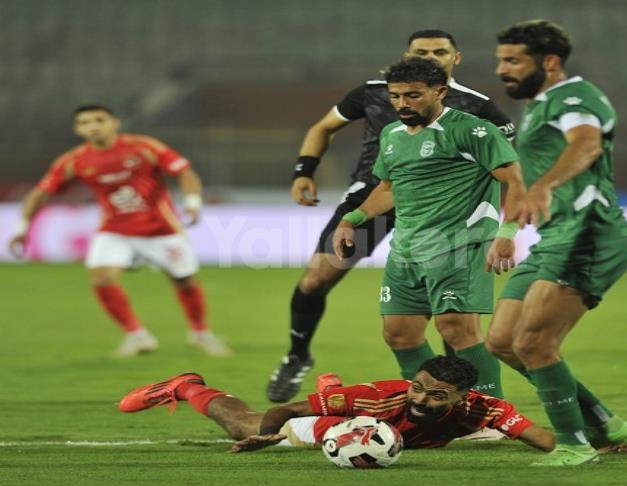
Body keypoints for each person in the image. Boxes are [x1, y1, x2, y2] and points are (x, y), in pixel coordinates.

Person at [268, 29, 516, 403]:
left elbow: (508, 166)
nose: (431, 57)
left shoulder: (476, 109)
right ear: (405, 55)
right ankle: (297, 354)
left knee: (456, 325)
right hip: (376, 196)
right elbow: (324, 129)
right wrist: (305, 171)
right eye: (422, 51)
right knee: (320, 278)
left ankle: (471, 402)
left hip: (448, 210)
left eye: (439, 51)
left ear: (455, 59)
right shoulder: (375, 96)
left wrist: (504, 225)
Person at [485, 20, 627, 466]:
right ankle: (605, 423)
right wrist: (508, 232)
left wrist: (545, 186)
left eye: (513, 60)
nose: (501, 69)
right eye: (500, 60)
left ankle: (573, 444)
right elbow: (522, 178)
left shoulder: (575, 97)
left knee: (534, 342)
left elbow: (586, 143)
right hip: (557, 237)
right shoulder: (538, 106)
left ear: (549, 62)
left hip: (591, 234)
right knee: (503, 341)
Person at [331, 58, 527, 401]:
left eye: (412, 96)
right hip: (407, 250)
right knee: (399, 334)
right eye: (395, 96)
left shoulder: (473, 130)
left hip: (460, 247)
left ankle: (488, 414)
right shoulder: (391, 135)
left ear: (441, 92)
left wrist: (507, 233)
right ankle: (439, 405)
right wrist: (352, 220)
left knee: (457, 331)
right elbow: (389, 189)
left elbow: (515, 181)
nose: (402, 104)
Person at [7, 105, 231, 357]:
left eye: (99, 120)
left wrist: (192, 203)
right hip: (114, 229)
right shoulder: (73, 161)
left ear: (115, 122)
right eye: (84, 122)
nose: (93, 126)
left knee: (185, 281)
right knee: (101, 278)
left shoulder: (145, 147)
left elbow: (184, 172)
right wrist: (23, 227)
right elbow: (40, 193)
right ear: (77, 129)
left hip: (160, 228)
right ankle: (137, 335)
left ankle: (200, 332)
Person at [119, 356, 555, 453]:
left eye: (437, 395)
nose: (421, 398)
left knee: (485, 437)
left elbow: (544, 439)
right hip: (356, 420)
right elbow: (287, 410)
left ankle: (331, 390)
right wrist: (264, 436)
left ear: (462, 398)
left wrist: (587, 447)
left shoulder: (486, 410)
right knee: (243, 425)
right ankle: (185, 385)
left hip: (409, 432)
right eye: (418, 388)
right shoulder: (382, 397)